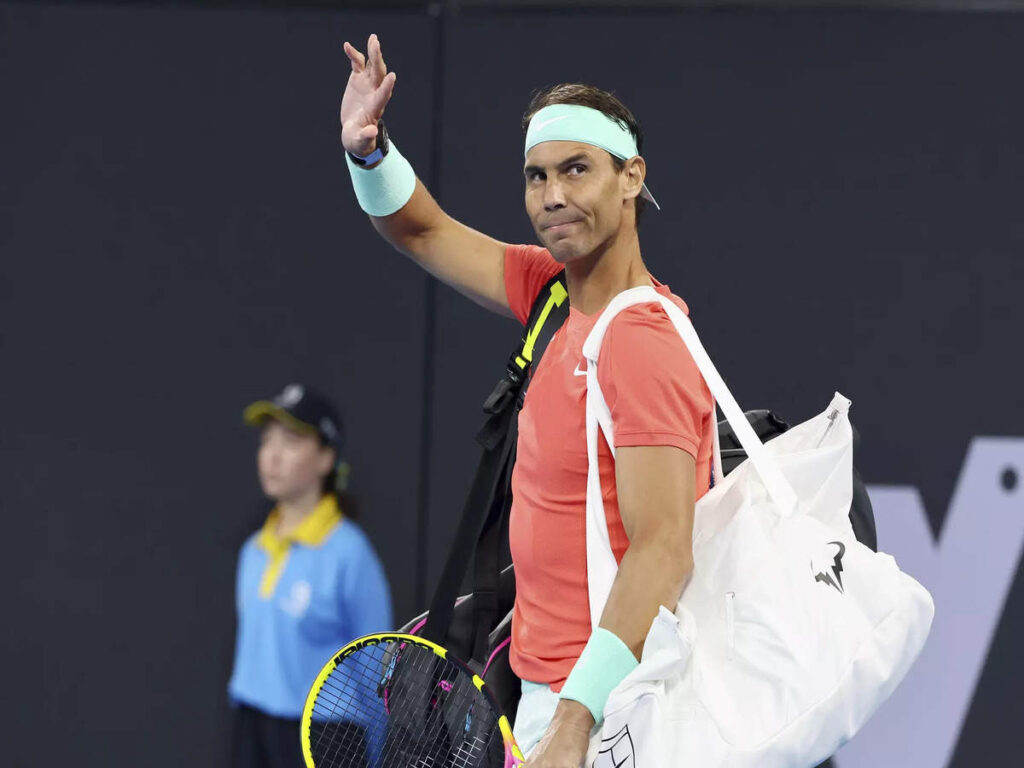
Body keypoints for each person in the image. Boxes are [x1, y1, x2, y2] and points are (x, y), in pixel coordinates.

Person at [340, 36, 716, 768]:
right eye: (536, 175)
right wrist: (369, 151)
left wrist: (575, 721)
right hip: (551, 694)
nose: (552, 196)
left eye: (577, 169)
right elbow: (423, 229)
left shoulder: (641, 340)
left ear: (631, 176)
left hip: (611, 708)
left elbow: (664, 549)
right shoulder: (552, 293)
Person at [228, 383, 392, 768]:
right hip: (252, 727)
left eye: (290, 441)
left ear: (325, 458)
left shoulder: (350, 554)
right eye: (266, 441)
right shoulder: (253, 550)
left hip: (324, 736)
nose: (272, 456)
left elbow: (376, 675)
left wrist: (378, 755)